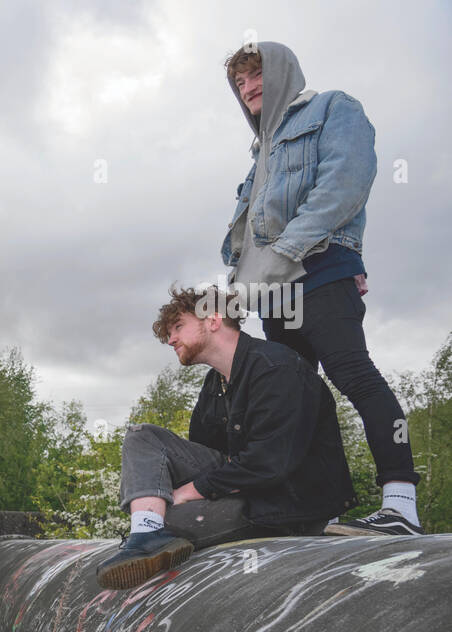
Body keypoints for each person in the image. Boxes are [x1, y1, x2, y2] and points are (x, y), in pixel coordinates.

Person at [221, 40, 422, 535]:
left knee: (352, 372)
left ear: (282, 71)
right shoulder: (259, 155)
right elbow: (247, 229)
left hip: (321, 265)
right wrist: (238, 282)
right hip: (272, 288)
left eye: (255, 73)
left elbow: (347, 182)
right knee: (296, 396)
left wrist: (288, 251)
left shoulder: (335, 107)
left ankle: (401, 503)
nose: (248, 87)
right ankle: (316, 509)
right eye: (239, 82)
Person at [95, 285, 355, 590]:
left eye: (178, 327)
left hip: (288, 506)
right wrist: (181, 489)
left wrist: (188, 492)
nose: (171, 339)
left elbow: (269, 463)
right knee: (142, 437)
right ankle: (147, 535)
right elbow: (203, 456)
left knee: (169, 520)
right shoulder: (214, 384)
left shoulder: (277, 368)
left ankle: (152, 533)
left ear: (214, 320)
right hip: (244, 492)